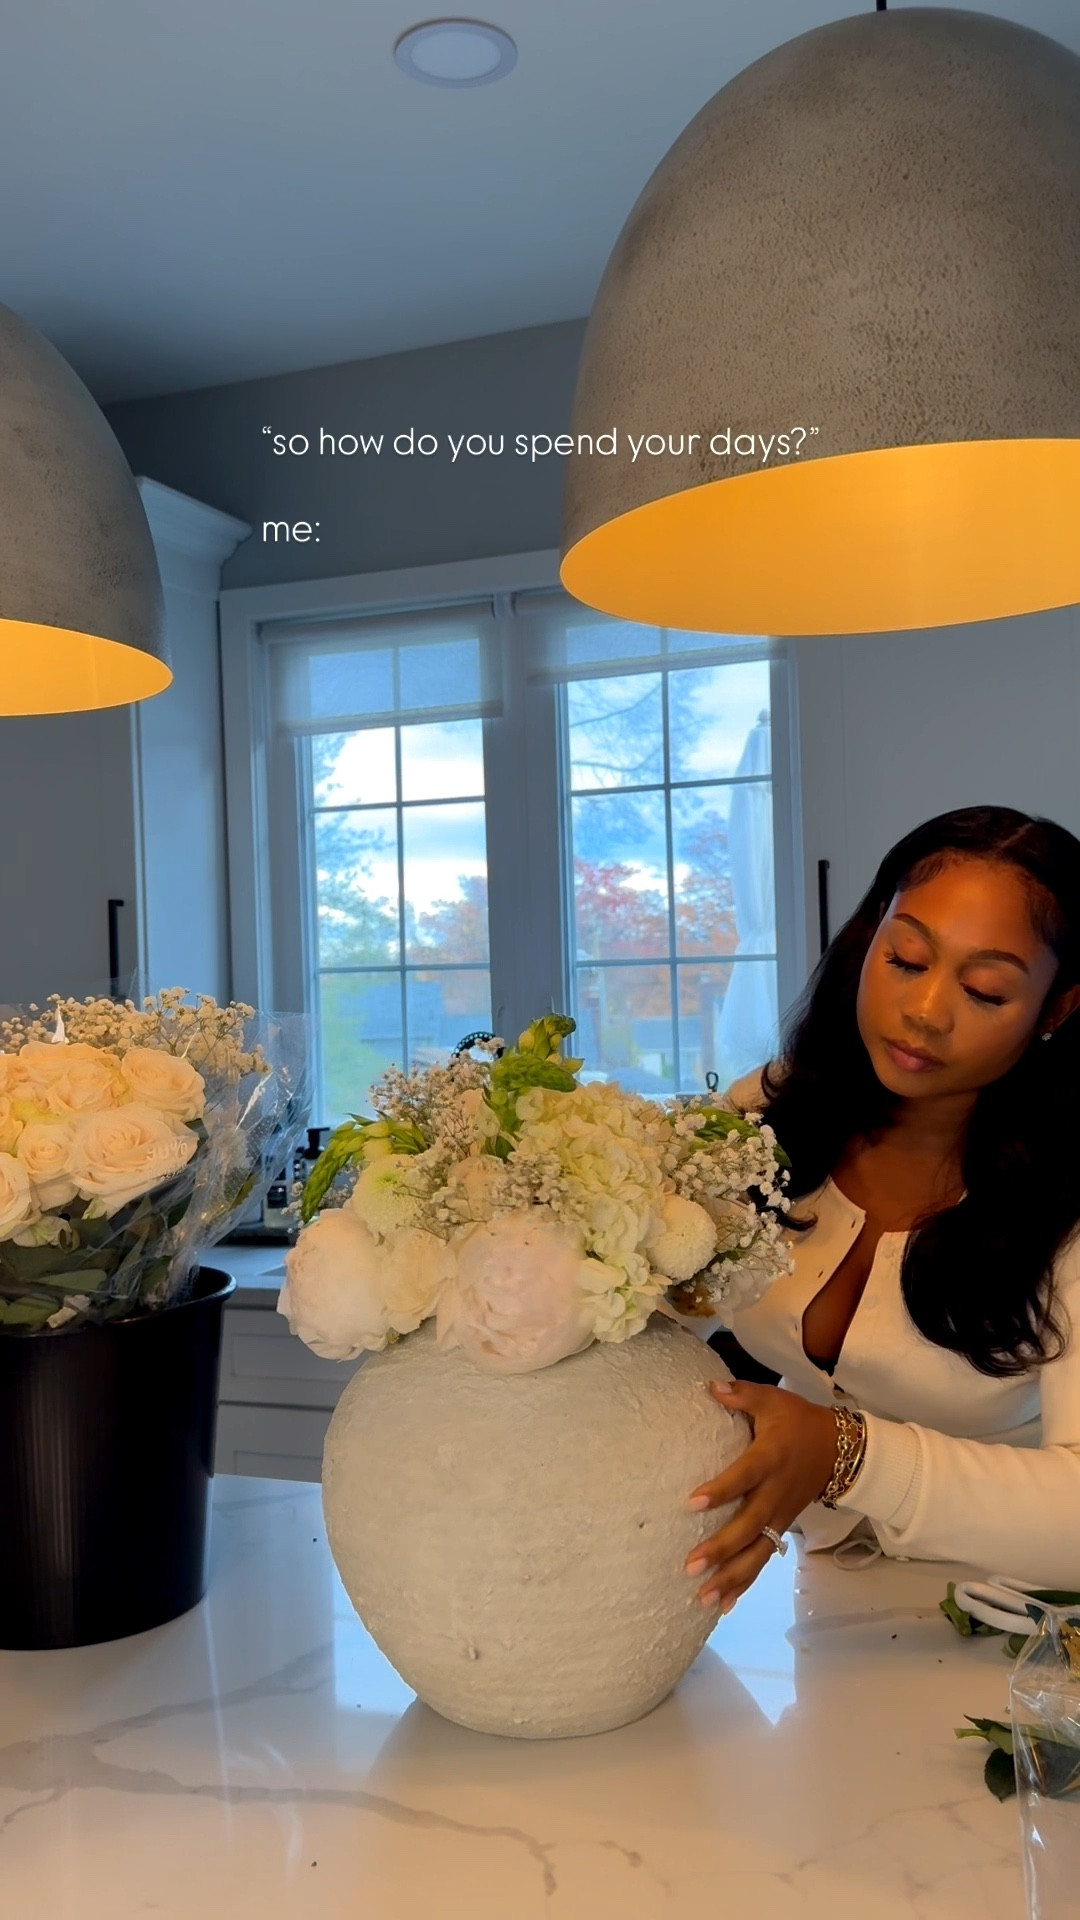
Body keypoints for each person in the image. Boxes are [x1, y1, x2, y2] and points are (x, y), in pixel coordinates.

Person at [683, 806, 1080, 1614]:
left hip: (1014, 1620)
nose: (926, 1010)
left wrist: (847, 1456)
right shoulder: (772, 1114)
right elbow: (653, 1293)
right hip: (814, 1587)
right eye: (905, 959)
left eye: (985, 989)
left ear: (1055, 1011)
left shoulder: (1069, 1193)